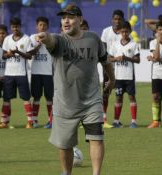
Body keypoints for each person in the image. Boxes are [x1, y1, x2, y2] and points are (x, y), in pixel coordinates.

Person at [36, 4, 115, 175]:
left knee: (97, 139)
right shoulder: (59, 40)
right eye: (63, 18)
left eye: (70, 17)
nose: (66, 21)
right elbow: (50, 40)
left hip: (91, 101)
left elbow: (105, 61)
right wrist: (45, 37)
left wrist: (112, 79)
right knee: (65, 145)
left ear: (80, 19)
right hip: (65, 103)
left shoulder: (93, 39)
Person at [0, 17, 33, 129]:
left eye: (17, 26)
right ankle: (4, 122)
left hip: (21, 73)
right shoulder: (7, 39)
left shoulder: (26, 39)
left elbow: (29, 56)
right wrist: (9, 54)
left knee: (26, 98)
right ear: (11, 28)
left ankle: (30, 122)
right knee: (6, 98)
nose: (15, 29)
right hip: (9, 74)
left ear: (20, 26)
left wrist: (18, 52)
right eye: (13, 27)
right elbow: (3, 56)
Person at [108, 21, 140, 128]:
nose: (125, 34)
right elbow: (109, 58)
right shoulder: (115, 45)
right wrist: (116, 58)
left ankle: (134, 121)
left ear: (130, 31)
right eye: (123, 32)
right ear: (119, 32)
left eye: (127, 31)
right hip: (118, 77)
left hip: (129, 77)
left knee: (131, 97)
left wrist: (126, 58)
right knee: (118, 98)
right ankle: (116, 121)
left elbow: (138, 59)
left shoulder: (134, 44)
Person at [28, 16, 54, 129]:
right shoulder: (32, 38)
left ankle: (51, 120)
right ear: (36, 26)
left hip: (48, 72)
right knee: (36, 97)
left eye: (44, 25)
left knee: (49, 98)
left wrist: (46, 41)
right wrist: (39, 44)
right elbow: (30, 53)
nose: (42, 27)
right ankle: (34, 120)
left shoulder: (51, 37)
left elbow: (54, 50)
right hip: (36, 72)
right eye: (40, 25)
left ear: (47, 26)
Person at [101, 9, 124, 128]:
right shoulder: (106, 32)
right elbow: (103, 50)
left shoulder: (124, 33)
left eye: (119, 19)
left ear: (123, 20)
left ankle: (116, 120)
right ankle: (103, 119)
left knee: (119, 94)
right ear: (112, 20)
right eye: (115, 19)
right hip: (107, 67)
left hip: (121, 69)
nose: (117, 21)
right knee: (105, 93)